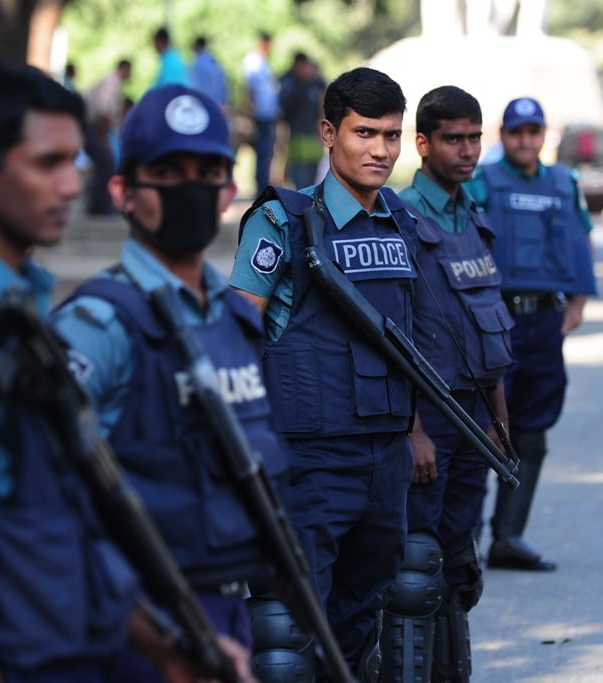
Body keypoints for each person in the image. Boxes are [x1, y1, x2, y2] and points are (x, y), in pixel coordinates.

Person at [0, 61, 250, 683]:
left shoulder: (15, 314)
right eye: (48, 163)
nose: (71, 185)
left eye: (74, 162)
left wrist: (170, 650)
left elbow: (68, 531)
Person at [50, 83, 290, 680]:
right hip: (131, 623)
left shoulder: (233, 317)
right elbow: (43, 505)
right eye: (168, 171)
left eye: (207, 170)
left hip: (229, 609)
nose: (190, 187)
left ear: (230, 191)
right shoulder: (97, 325)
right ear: (123, 193)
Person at [230, 67, 416, 679]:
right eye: (365, 133)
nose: (381, 151)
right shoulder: (282, 222)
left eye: (391, 136)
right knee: (290, 629)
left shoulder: (402, 224)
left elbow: (409, 343)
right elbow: (236, 338)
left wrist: (416, 432)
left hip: (384, 456)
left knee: (365, 617)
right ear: (329, 133)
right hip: (306, 460)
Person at [387, 85, 514, 682]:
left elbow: (488, 331)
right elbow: (393, 338)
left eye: (473, 138)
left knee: (460, 559)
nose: (466, 151)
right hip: (428, 419)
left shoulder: (476, 222)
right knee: (417, 563)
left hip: (474, 419)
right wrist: (413, 431)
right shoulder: (399, 221)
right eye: (453, 139)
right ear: (423, 143)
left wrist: (498, 417)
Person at [465, 96, 598, 572]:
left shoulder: (564, 182)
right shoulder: (484, 183)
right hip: (495, 319)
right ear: (504, 137)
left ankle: (509, 536)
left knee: (533, 432)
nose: (525, 140)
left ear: (544, 136)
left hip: (545, 321)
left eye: (533, 131)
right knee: (482, 431)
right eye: (516, 132)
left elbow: (582, 239)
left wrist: (578, 302)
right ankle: (463, 538)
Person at [85, 58, 132, 215]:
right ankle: (100, 206)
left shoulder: (113, 83)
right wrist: (104, 139)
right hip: (94, 128)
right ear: (125, 69)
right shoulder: (112, 83)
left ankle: (100, 204)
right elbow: (103, 113)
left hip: (95, 127)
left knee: (104, 164)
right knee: (106, 163)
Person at [279, 52, 326, 189]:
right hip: (297, 139)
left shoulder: (317, 84)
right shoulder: (290, 87)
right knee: (299, 177)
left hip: (314, 139)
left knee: (312, 176)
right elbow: (284, 117)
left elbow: (323, 107)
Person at [241, 32, 280, 192]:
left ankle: (262, 182)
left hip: (268, 113)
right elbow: (248, 88)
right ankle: (259, 185)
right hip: (260, 113)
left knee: (266, 150)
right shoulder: (254, 61)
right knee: (262, 149)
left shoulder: (264, 62)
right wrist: (249, 111)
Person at [190, 36, 229, 111]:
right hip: (218, 106)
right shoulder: (215, 62)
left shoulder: (197, 64)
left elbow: (195, 87)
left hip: (204, 107)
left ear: (197, 46)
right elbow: (224, 86)